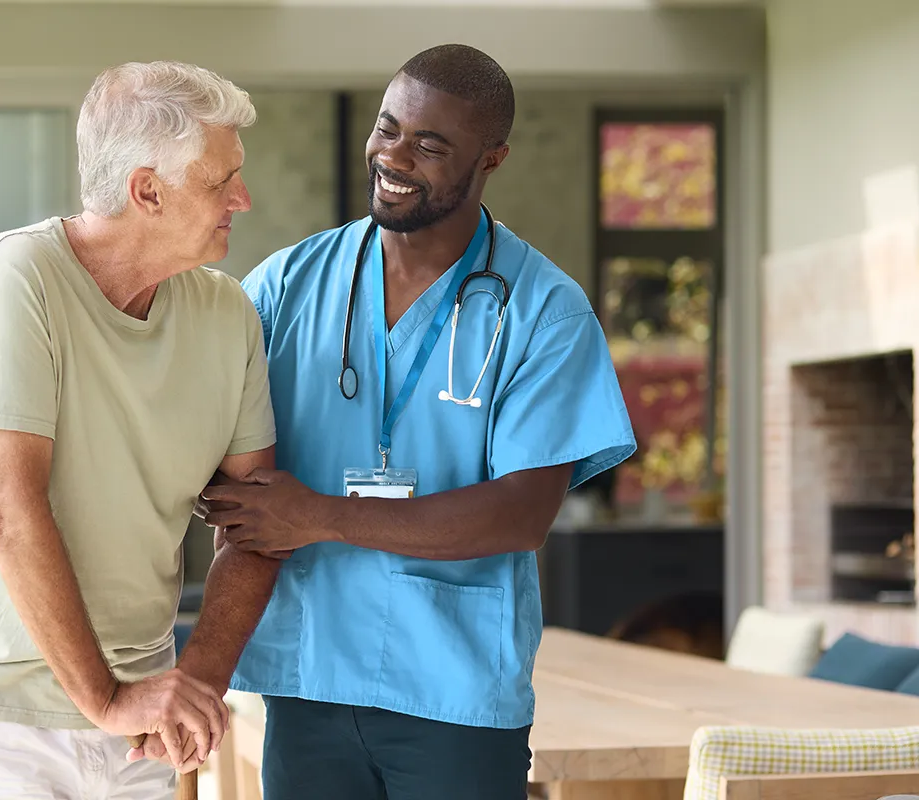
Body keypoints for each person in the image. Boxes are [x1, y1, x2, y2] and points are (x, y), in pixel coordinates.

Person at [190, 44, 637, 799]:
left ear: (492, 157)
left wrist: (318, 515)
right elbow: (213, 448)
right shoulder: (286, 286)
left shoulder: (542, 311)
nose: (395, 156)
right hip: (309, 678)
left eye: (430, 145)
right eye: (388, 128)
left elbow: (523, 515)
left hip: (455, 698)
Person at [0, 61, 284, 799]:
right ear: (146, 190)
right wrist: (107, 700)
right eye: (220, 182)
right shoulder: (17, 276)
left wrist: (196, 686)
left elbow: (258, 519)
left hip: (138, 725)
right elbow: (6, 508)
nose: (241, 199)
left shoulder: (226, 315)